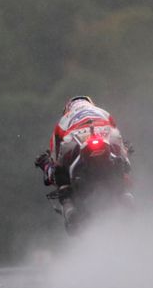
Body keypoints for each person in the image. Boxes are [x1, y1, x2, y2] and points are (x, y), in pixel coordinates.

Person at [34, 96, 132, 230]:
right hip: (105, 135)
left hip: (74, 141)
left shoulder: (64, 120)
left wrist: (44, 163)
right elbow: (116, 133)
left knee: (58, 172)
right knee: (124, 163)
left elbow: (55, 159)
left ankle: (69, 206)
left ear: (68, 108)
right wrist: (124, 152)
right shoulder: (102, 112)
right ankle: (124, 194)